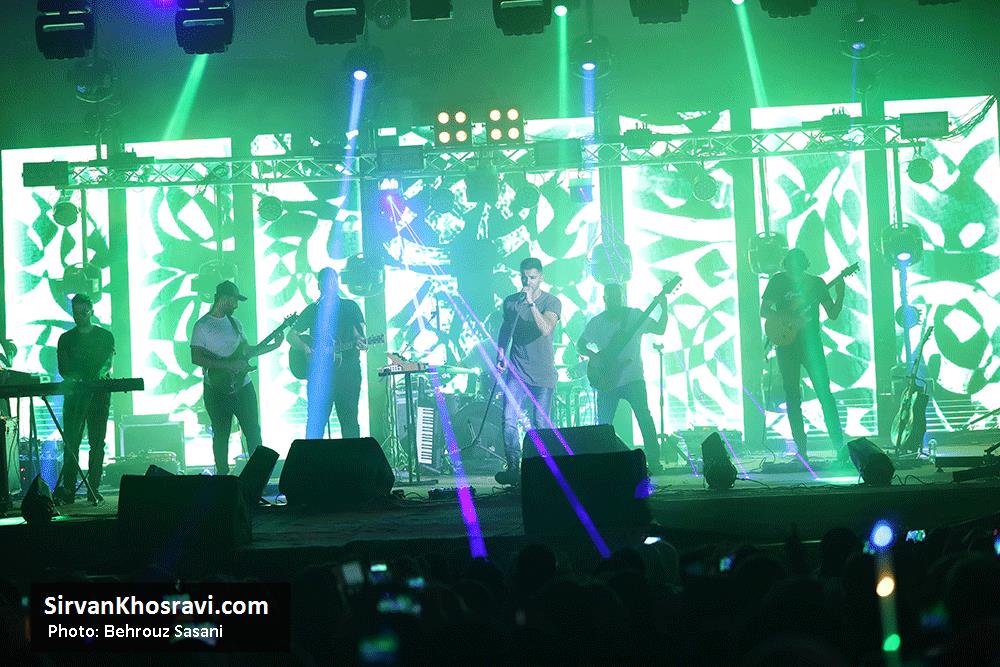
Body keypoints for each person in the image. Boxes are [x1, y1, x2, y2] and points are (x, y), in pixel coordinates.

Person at [576, 283, 676, 473]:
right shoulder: (597, 322)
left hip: (633, 377)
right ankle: (603, 463)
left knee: (644, 418)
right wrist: (594, 356)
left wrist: (664, 307)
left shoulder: (634, 316)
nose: (615, 301)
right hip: (606, 379)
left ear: (621, 297)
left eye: (617, 297)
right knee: (604, 423)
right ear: (604, 299)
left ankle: (654, 461)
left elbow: (660, 329)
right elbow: (580, 344)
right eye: (611, 298)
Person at [760, 248, 846, 460]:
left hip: (811, 344)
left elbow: (832, 314)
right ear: (787, 264)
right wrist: (786, 318)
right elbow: (764, 310)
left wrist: (840, 294)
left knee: (824, 393)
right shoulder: (778, 281)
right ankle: (802, 449)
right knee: (792, 396)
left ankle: (839, 446)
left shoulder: (816, 283)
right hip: (787, 344)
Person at [191, 280, 282, 475]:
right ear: (224, 299)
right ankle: (223, 476)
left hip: (243, 386)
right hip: (216, 390)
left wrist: (274, 346)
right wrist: (228, 365)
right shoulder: (202, 326)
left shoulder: (235, 323)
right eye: (234, 300)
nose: (236, 305)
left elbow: (247, 351)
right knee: (221, 434)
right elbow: (196, 357)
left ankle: (258, 476)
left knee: (253, 431)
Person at [495, 257, 562, 485]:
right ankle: (514, 467)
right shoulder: (511, 302)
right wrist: (501, 353)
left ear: (541, 277)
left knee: (540, 423)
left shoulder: (551, 302)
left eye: (532, 278)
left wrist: (532, 303)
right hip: (517, 371)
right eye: (524, 277)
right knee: (508, 418)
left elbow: (545, 329)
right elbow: (505, 329)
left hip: (543, 374)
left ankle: (543, 469)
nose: (527, 282)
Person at [287, 268, 366, 439]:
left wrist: (360, 340)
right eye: (325, 282)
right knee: (316, 424)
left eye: (333, 282)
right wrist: (305, 348)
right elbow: (291, 336)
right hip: (320, 376)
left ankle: (353, 457)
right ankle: (313, 456)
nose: (330, 286)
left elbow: (360, 335)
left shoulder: (350, 307)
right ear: (319, 286)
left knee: (349, 422)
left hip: (348, 375)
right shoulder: (312, 310)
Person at [55, 294, 115, 504]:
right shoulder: (66, 339)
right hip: (74, 396)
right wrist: (76, 379)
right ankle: (69, 489)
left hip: (98, 395)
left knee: (97, 442)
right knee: (71, 442)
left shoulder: (105, 336)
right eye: (76, 312)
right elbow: (63, 368)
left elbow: (107, 362)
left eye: (83, 312)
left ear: (91, 311)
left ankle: (93, 488)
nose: (79, 316)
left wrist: (95, 377)